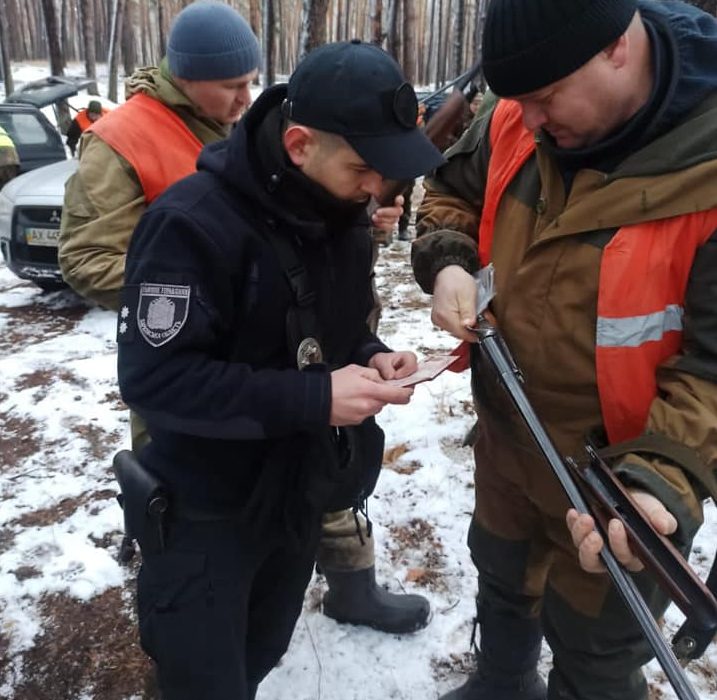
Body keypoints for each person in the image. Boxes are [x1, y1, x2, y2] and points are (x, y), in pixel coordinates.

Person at [60, 0, 430, 636]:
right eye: (363, 170)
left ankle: (343, 585)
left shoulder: (330, 210)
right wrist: (307, 386)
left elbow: (326, 323)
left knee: (265, 639)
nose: (376, 190)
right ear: (299, 146)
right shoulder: (186, 214)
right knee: (206, 665)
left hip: (295, 481)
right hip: (208, 496)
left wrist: (368, 351)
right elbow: (155, 380)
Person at [411, 1, 717, 699]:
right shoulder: (518, 111)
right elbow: (448, 195)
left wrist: (658, 478)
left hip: (622, 486)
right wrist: (450, 262)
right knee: (500, 572)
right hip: (508, 440)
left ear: (615, 48)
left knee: (598, 643)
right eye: (519, 102)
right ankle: (503, 682)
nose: (530, 121)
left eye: (544, 100)